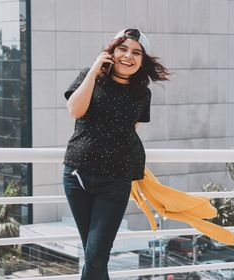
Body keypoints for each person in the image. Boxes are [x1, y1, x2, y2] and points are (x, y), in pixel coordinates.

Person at [62, 28, 170, 280]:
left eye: (136, 52)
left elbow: (130, 128)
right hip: (77, 174)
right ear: (111, 51)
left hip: (116, 181)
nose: (128, 56)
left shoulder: (142, 93)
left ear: (142, 61)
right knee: (93, 255)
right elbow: (75, 110)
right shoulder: (89, 78)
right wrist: (93, 70)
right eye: (122, 49)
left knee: (96, 255)